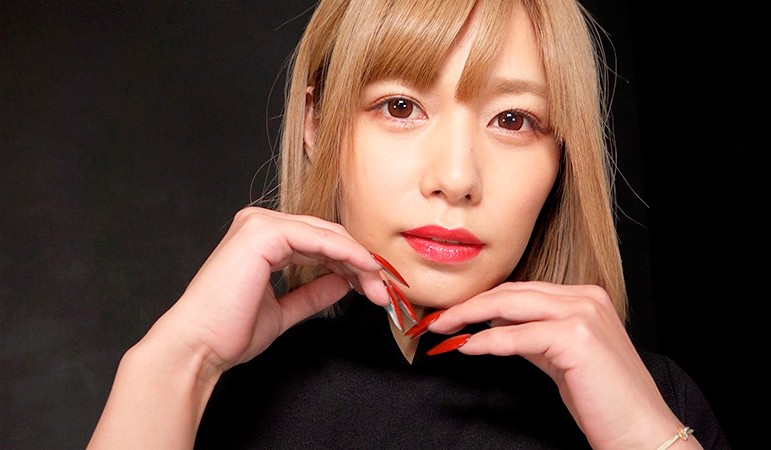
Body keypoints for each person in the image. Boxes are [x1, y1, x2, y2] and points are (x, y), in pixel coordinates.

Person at [87, 0, 729, 448]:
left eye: (513, 120)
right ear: (317, 125)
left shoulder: (654, 403)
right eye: (400, 106)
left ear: (563, 157)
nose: (456, 177)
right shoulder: (210, 397)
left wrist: (646, 436)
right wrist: (177, 361)